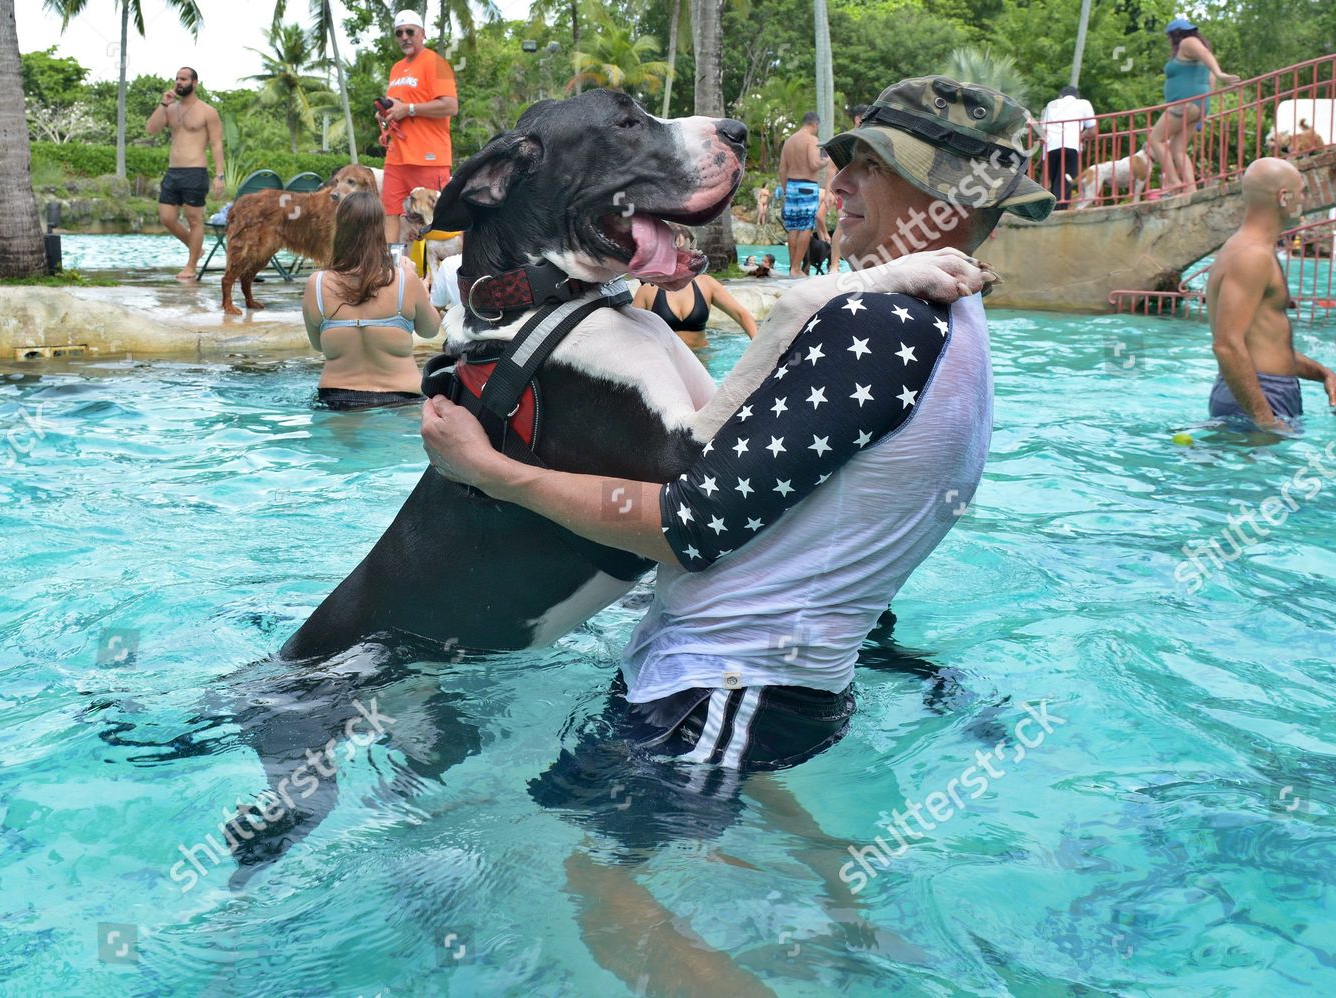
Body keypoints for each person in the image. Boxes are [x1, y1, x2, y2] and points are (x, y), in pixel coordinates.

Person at [420, 76, 1051, 989]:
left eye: (868, 170)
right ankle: (854, 932)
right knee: (739, 805)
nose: (836, 189)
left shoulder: (880, 323)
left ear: (946, 202)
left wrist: (496, 473)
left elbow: (691, 524)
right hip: (792, 683)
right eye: (843, 166)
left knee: (596, 883)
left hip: (722, 686)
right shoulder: (962, 325)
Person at [1205, 157, 1336, 431]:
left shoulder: (1246, 249)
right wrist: (1265, 421)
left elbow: (1264, 348)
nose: (1305, 198)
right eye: (1301, 191)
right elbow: (1226, 345)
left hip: (1260, 394)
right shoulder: (1251, 256)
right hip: (1259, 399)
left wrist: (1323, 374)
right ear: (1283, 197)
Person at [302, 192, 441, 410]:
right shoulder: (404, 279)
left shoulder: (317, 285)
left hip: (336, 400)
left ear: (339, 229)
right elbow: (430, 330)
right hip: (403, 400)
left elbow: (318, 344)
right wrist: (421, 289)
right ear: (379, 229)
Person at [378, 9, 459, 251]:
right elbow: (397, 107)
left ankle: (442, 280)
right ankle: (391, 273)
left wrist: (409, 109)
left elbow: (450, 106)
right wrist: (386, 114)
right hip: (397, 156)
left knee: (438, 217)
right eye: (399, 33)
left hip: (429, 158)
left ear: (422, 33)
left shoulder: (437, 63)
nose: (404, 37)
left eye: (409, 31)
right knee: (391, 213)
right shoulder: (396, 69)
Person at [145, 67, 225, 281]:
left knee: (194, 220)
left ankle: (191, 265)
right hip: (173, 172)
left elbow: (217, 144)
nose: (179, 82)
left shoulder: (208, 111)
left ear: (195, 83)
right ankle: (196, 249)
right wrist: (163, 104)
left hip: (195, 171)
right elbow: (151, 129)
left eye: (184, 79)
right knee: (167, 218)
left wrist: (219, 175)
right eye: (177, 79)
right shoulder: (170, 109)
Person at [1147, 17, 1239, 195]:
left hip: (1185, 104)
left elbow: (1207, 58)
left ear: (1175, 35)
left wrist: (1220, 73)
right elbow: (1209, 79)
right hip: (1196, 105)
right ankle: (1190, 190)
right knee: (1177, 148)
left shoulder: (1187, 42)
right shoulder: (1193, 49)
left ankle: (1174, 181)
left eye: (1169, 36)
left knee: (1155, 139)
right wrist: (1204, 110)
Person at [631, 224, 757, 350]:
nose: (680, 257)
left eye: (684, 251)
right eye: (675, 250)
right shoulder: (648, 288)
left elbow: (741, 314)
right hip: (665, 361)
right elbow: (631, 328)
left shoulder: (707, 284)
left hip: (701, 359)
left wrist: (758, 349)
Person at [777, 111, 829, 277]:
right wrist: (826, 161)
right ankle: (796, 269)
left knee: (793, 227)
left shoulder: (789, 141)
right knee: (806, 226)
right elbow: (814, 164)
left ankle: (793, 267)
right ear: (814, 124)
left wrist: (786, 190)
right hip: (807, 185)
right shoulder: (812, 140)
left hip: (791, 185)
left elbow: (782, 169)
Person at [1040, 85, 1096, 208]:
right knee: (1065, 180)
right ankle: (1060, 210)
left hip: (1050, 147)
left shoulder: (1051, 104)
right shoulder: (1083, 103)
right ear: (1077, 96)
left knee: (1054, 181)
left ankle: (1051, 209)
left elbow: (1042, 130)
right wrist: (1081, 136)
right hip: (1070, 145)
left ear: (1061, 96)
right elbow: (1092, 130)